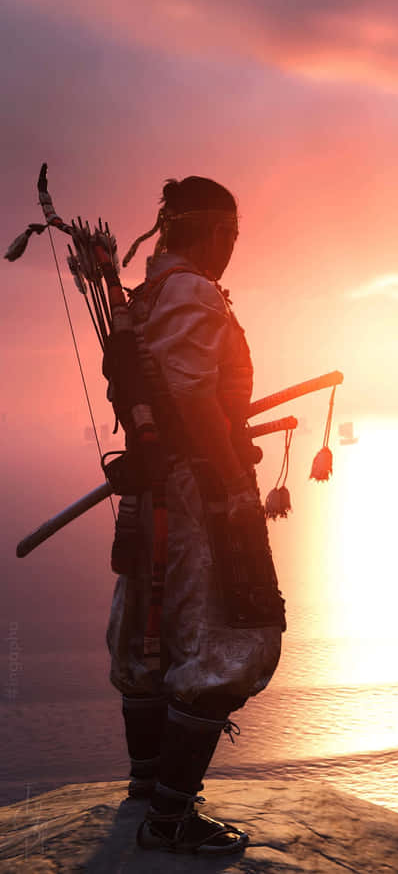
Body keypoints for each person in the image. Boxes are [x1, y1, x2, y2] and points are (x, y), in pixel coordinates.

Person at [105, 176, 286, 854]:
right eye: (232, 236)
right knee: (226, 638)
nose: (232, 249)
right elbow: (189, 394)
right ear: (214, 233)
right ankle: (170, 818)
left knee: (155, 637)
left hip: (156, 492)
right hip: (197, 493)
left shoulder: (148, 295)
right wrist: (233, 477)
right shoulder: (193, 292)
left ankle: (150, 789)